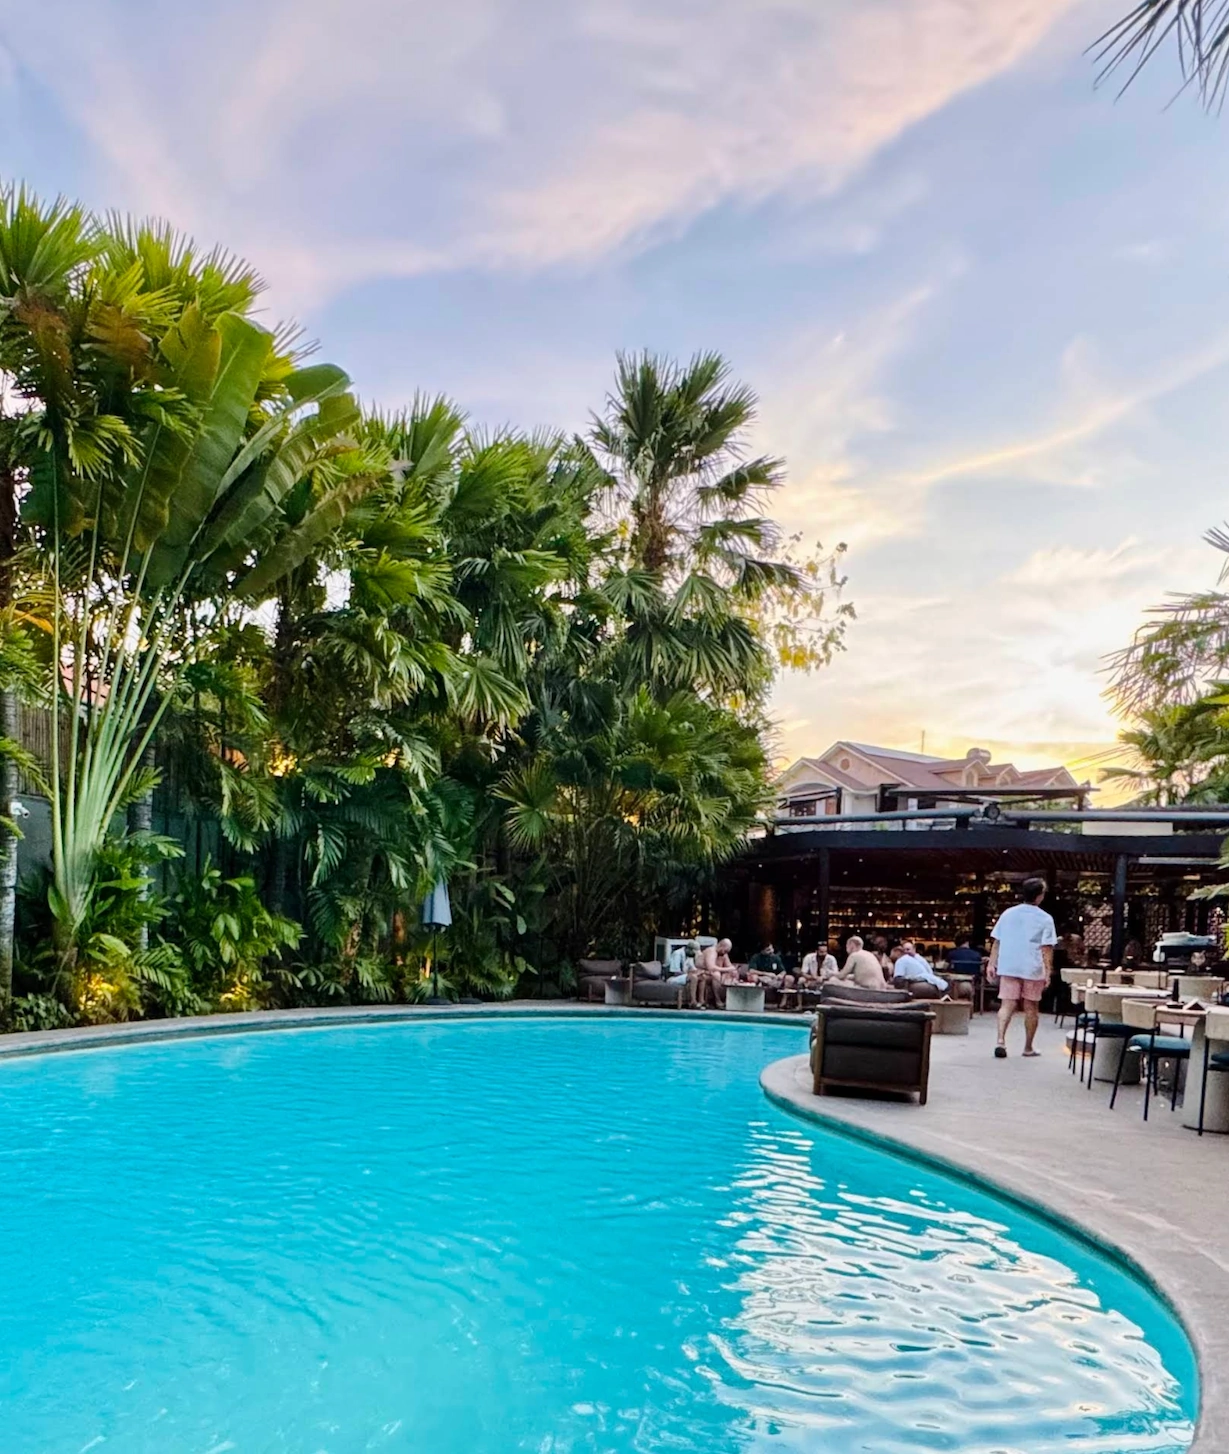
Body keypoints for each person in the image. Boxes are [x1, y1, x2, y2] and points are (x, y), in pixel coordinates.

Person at [987, 876, 1057, 1059]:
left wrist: (992, 963)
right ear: (1040, 896)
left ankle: (1000, 1041)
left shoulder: (1008, 913)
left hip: (1009, 964)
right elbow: (1046, 948)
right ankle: (1028, 1047)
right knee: (1031, 1006)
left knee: (1007, 1004)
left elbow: (997, 941)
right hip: (1032, 966)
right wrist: (1048, 971)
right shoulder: (1045, 918)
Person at [894, 940, 972, 1001]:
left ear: (914, 949)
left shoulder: (919, 958)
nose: (907, 952)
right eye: (905, 950)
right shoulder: (902, 960)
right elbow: (898, 979)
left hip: (926, 978)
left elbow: (929, 971)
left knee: (950, 982)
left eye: (908, 949)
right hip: (917, 982)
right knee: (946, 984)